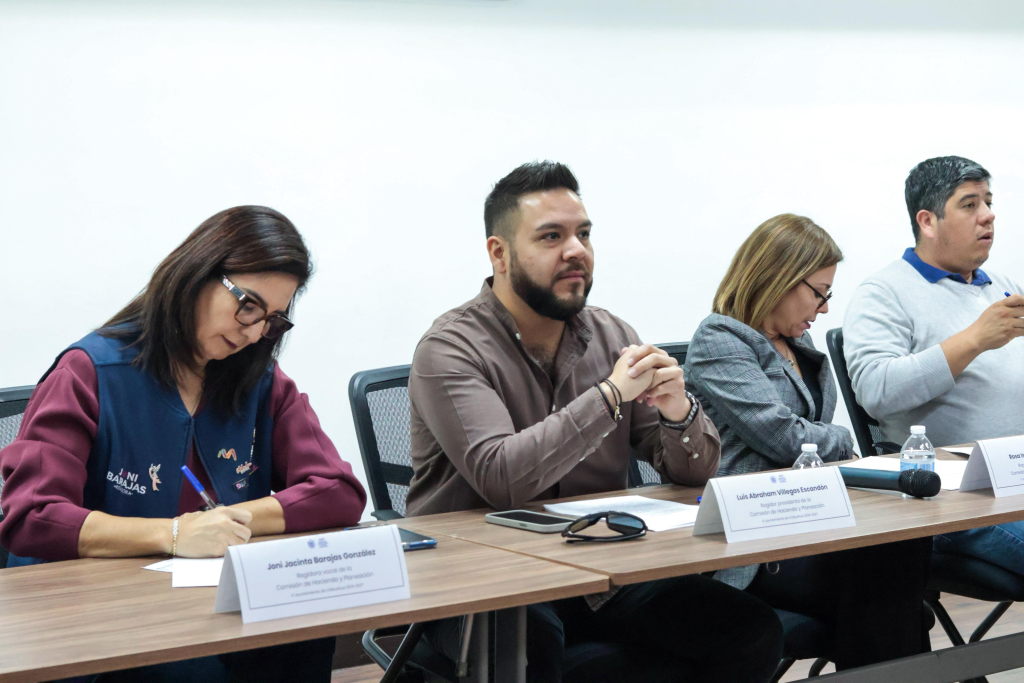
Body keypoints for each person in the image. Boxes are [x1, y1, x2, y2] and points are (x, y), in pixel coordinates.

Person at [406, 161, 783, 683]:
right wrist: (609, 396)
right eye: (551, 236)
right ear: (499, 253)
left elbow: (694, 474)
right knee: (527, 642)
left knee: (748, 630)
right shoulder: (450, 348)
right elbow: (503, 478)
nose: (576, 250)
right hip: (481, 579)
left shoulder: (611, 335)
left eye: (583, 234)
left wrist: (678, 411)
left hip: (599, 566)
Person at [0, 206, 367, 683]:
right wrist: (173, 534)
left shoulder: (258, 380)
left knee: (303, 638)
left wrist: (226, 523)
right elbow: (32, 515)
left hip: (201, 600)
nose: (254, 332)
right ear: (196, 274)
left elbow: (338, 491)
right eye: (248, 305)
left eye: (272, 319)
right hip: (96, 613)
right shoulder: (90, 372)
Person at [685, 214, 932, 670]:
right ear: (778, 277)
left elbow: (804, 440)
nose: (823, 309)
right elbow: (785, 437)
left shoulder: (800, 345)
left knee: (900, 557)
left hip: (811, 519)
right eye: (819, 293)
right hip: (757, 537)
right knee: (888, 582)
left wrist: (823, 442)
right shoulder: (720, 339)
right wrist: (841, 436)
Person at [843, 155, 1024, 575]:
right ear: (927, 221)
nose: (988, 215)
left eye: (988, 202)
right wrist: (973, 340)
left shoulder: (1003, 287)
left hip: (1016, 477)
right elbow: (875, 391)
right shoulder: (884, 292)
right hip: (955, 496)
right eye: (969, 204)